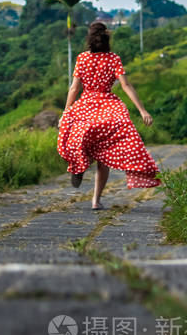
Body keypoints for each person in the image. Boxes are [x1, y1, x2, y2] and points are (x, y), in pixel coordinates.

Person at [57, 20, 161, 210]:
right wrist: (143, 110)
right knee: (104, 156)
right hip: (108, 107)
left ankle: (79, 165)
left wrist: (66, 112)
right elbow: (126, 86)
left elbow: (74, 88)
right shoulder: (114, 59)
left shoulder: (82, 58)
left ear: (89, 39)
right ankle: (96, 200)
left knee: (78, 137)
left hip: (86, 105)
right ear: (106, 38)